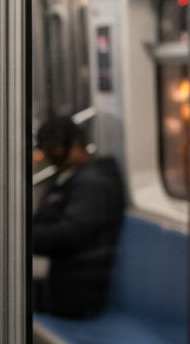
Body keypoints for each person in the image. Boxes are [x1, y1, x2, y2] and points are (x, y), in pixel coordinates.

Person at [32, 115, 125, 318]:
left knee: (0, 294)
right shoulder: (69, 178)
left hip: (81, 290)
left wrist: (22, 239)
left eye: (54, 150)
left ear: (75, 146)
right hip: (65, 280)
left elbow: (70, 233)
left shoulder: (94, 183)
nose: (49, 157)